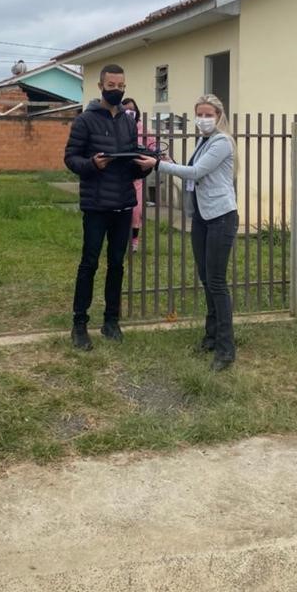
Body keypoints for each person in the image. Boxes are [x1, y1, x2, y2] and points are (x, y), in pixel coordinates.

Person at [138, 94, 238, 371]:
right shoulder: (204, 141)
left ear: (219, 115)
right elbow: (193, 170)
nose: (203, 119)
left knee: (217, 282)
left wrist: (158, 165)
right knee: (206, 278)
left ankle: (226, 349)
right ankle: (211, 337)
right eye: (199, 114)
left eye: (208, 114)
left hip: (221, 217)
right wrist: (170, 160)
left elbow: (196, 172)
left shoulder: (221, 141)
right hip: (203, 217)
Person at [64, 65, 150, 350]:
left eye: (121, 85)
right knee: (89, 263)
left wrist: (143, 167)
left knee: (116, 265)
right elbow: (71, 159)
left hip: (123, 203)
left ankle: (111, 321)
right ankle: (79, 324)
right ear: (100, 86)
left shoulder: (128, 121)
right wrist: (91, 165)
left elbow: (130, 163)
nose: (117, 90)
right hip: (96, 205)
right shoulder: (85, 121)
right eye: (111, 85)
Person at [121, 96, 156, 251]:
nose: (130, 112)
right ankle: (121, 239)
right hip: (119, 175)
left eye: (133, 110)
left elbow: (153, 145)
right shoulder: (117, 126)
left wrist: (155, 154)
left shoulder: (142, 127)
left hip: (136, 174)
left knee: (136, 211)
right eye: (126, 109)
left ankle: (134, 241)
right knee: (121, 211)